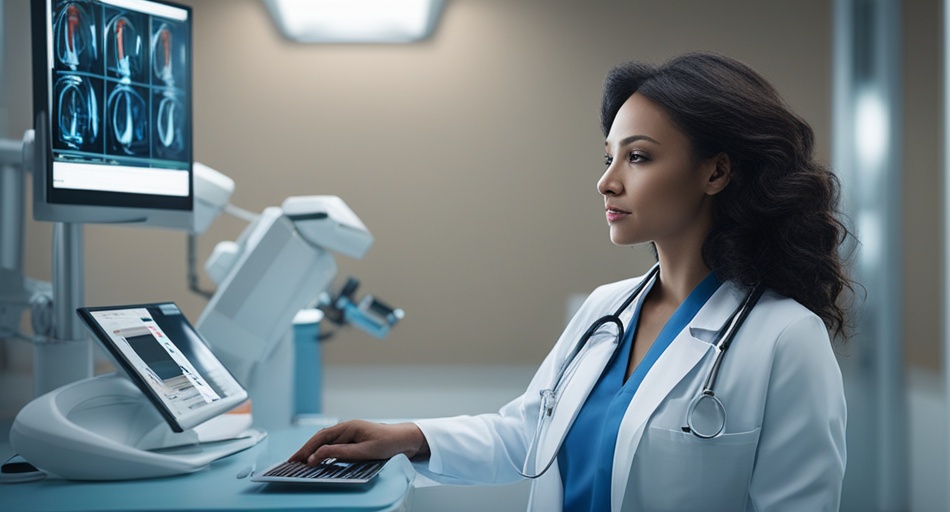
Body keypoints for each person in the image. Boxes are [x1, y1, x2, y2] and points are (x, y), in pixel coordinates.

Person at [289, 52, 853, 512]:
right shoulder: (606, 312)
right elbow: (531, 434)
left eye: (638, 157)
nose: (607, 182)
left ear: (716, 171)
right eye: (608, 157)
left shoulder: (784, 338)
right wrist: (406, 436)